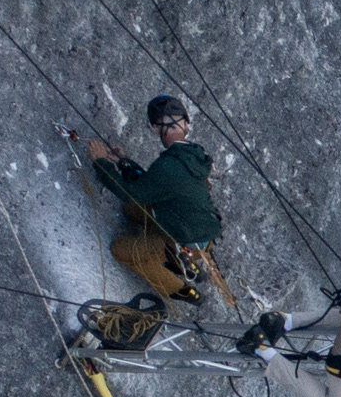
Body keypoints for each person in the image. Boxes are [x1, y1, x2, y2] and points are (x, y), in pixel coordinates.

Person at [72, 98, 226, 306]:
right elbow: (154, 184)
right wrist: (124, 163)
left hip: (185, 237)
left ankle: (181, 290)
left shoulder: (169, 164)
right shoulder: (193, 153)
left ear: (155, 128)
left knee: (122, 250)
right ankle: (183, 263)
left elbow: (130, 192)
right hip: (198, 229)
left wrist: (100, 162)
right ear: (186, 123)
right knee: (133, 210)